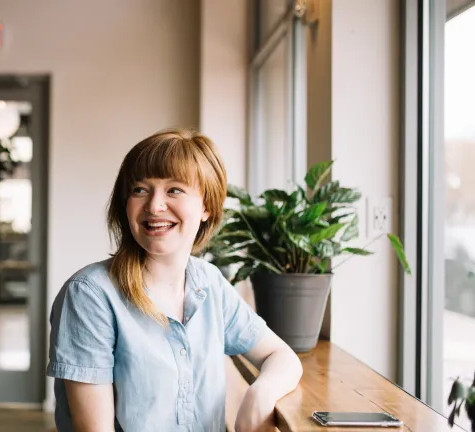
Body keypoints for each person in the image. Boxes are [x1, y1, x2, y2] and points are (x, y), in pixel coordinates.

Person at [46, 128, 303, 432]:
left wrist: (260, 394)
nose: (154, 206)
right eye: (140, 189)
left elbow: (281, 356)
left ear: (206, 206)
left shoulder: (209, 282)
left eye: (174, 190)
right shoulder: (89, 295)